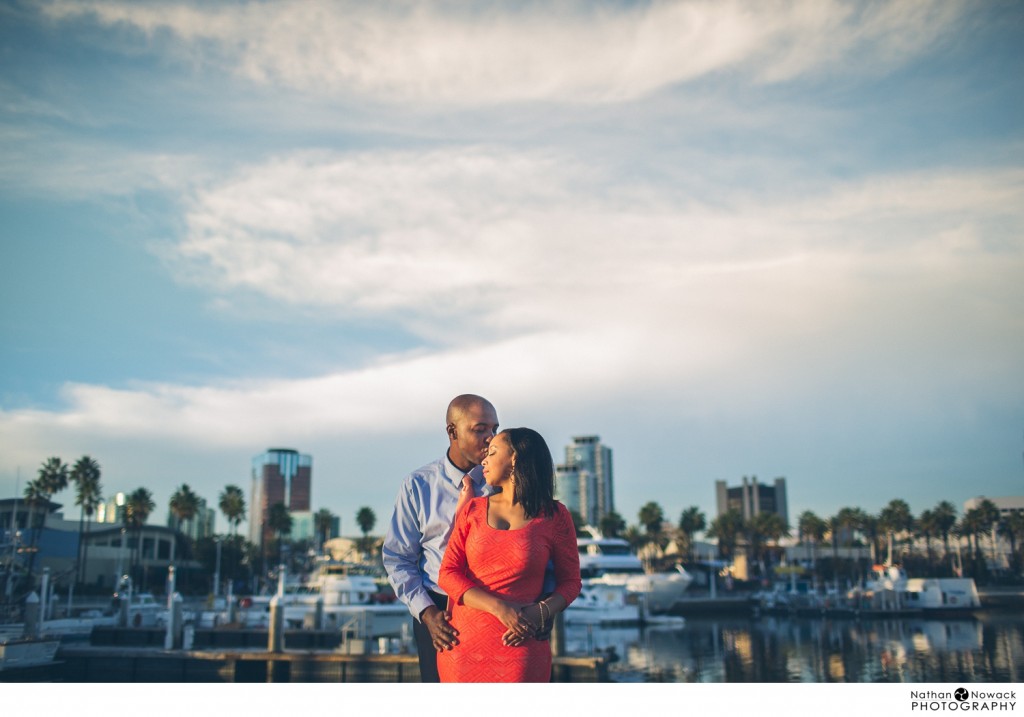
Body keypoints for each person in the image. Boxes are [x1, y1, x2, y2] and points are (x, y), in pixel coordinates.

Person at [436, 427, 581, 682]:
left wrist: (541, 612)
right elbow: (448, 574)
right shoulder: (473, 510)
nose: (484, 460)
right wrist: (501, 609)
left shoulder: (555, 516)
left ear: (514, 458)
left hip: (522, 645)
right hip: (463, 647)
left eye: (492, 452)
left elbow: (571, 583)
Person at [382, 394, 500, 682]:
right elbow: (398, 558)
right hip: (439, 613)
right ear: (452, 431)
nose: (491, 438)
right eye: (480, 429)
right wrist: (427, 613)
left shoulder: (505, 483)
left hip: (496, 610)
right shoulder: (418, 486)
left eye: (495, 429)